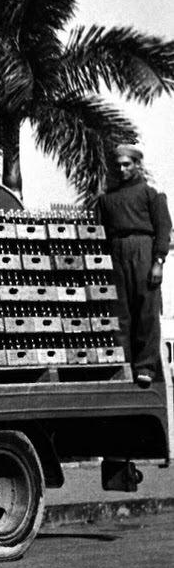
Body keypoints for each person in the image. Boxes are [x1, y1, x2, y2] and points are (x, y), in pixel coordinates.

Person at [96, 145, 170, 388]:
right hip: (116, 251)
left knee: (146, 310)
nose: (122, 169)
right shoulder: (106, 200)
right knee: (120, 311)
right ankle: (124, 363)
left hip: (143, 250)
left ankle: (145, 366)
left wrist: (158, 262)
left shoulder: (151, 194)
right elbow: (101, 231)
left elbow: (162, 229)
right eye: (118, 165)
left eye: (127, 164)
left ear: (137, 165)